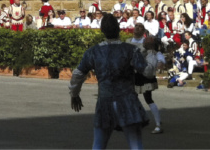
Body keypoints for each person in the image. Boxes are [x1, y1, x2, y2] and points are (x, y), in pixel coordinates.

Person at [69, 14, 154, 149]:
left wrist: (74, 94)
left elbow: (78, 74)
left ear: (102, 30)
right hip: (127, 101)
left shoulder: (93, 52)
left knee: (98, 145)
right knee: (136, 145)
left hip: (105, 101)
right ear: (119, 28)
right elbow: (148, 72)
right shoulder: (131, 50)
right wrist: (151, 53)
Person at [129, 24, 164, 135]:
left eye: (140, 28)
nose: (137, 29)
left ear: (143, 30)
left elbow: (157, 53)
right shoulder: (128, 41)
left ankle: (158, 124)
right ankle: (137, 120)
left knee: (148, 99)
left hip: (144, 73)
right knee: (132, 98)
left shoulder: (148, 42)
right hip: (132, 73)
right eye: (136, 27)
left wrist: (161, 61)